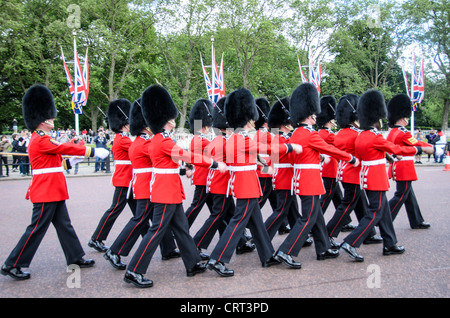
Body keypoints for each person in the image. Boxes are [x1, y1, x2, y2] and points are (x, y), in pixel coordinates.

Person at [1, 84, 109, 281]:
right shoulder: (40, 139)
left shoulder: (43, 139)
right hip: (45, 190)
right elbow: (61, 148)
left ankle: (75, 257)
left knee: (64, 225)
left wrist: (71, 161)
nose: (52, 118)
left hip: (54, 189)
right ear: (41, 119)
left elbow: (55, 163)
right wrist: (91, 151)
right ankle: (12, 264)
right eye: (49, 116)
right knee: (36, 228)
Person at [122, 85, 224, 288]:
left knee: (182, 229)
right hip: (165, 192)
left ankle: (193, 263)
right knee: (156, 230)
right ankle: (134, 270)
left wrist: (182, 171)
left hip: (171, 190)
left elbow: (167, 165)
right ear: (167, 120)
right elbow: (185, 155)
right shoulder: (163, 141)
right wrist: (213, 163)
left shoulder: (159, 140)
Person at [207, 88, 302, 277]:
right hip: (245, 184)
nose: (254, 120)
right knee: (238, 222)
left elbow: (254, 156)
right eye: (251, 117)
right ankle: (218, 259)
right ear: (247, 118)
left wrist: (263, 165)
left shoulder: (236, 137)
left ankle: (267, 255)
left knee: (257, 223)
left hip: (248, 183)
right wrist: (290, 146)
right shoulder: (240, 138)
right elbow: (265, 147)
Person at [340, 90, 431, 262]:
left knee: (384, 213)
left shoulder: (361, 136)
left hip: (367, 177)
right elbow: (397, 149)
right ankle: (351, 242)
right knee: (375, 213)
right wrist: (419, 149)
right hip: (376, 178)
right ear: (377, 118)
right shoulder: (375, 137)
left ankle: (390, 244)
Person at [273, 83, 357, 269]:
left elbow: (305, 154)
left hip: (301, 177)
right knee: (308, 217)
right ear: (311, 115)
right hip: (309, 179)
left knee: (316, 215)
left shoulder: (295, 134)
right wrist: (351, 158)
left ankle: (323, 248)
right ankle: (286, 251)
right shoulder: (311, 135)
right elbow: (331, 149)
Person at [104, 98, 178, 270]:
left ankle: (168, 248)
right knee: (140, 219)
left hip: (149, 185)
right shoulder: (144, 144)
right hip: (145, 186)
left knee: (160, 218)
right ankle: (115, 251)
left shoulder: (142, 141)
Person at [326, 94, 381, 248]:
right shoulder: (357, 135)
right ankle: (328, 233)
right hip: (353, 173)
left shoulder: (340, 134)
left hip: (344, 172)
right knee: (346, 205)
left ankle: (368, 234)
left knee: (359, 203)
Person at [88, 99, 135, 253]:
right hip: (124, 180)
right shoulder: (123, 140)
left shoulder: (122, 138)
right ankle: (96, 238)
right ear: (125, 123)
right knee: (115, 209)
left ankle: (155, 240)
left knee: (140, 214)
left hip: (129, 180)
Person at [386, 94, 433, 229]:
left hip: (398, 166)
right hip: (404, 167)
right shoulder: (403, 132)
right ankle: (384, 218)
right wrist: (430, 147)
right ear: (403, 118)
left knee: (408, 195)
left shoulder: (393, 132)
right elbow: (416, 143)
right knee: (401, 195)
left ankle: (416, 220)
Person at [263, 97, 301, 239]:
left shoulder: (283, 137)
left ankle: (299, 234)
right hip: (284, 177)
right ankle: (262, 235)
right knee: (281, 210)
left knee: (292, 208)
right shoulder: (281, 139)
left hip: (287, 177)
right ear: (285, 122)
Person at [184, 99, 214, 229]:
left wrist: (188, 168)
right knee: (196, 207)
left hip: (206, 178)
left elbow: (191, 157)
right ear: (205, 125)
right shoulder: (201, 139)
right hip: (203, 178)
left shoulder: (198, 138)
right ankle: (181, 228)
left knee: (217, 211)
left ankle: (239, 238)